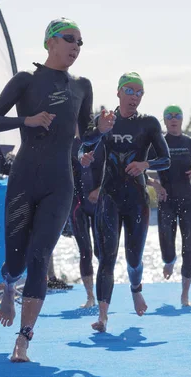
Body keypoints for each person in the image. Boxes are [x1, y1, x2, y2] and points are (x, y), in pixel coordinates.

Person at [0, 18, 113, 362]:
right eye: (70, 39)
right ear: (50, 42)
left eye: (81, 42)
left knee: (39, 256)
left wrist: (98, 130)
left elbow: (85, 137)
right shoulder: (26, 80)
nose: (76, 46)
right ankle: (9, 284)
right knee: (15, 260)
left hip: (60, 183)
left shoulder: (82, 85)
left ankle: (23, 338)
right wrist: (27, 120)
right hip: (24, 179)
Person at [80, 72, 170, 332]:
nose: (134, 97)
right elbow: (84, 143)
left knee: (133, 258)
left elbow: (165, 159)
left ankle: (136, 288)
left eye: (139, 92)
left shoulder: (149, 123)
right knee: (107, 258)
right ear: (118, 92)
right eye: (129, 91)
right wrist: (86, 154)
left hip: (136, 199)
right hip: (110, 197)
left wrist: (145, 164)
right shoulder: (106, 120)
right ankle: (103, 316)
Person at [147, 104, 191, 306]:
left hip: (188, 200)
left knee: (188, 248)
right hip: (166, 201)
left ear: (182, 119)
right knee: (167, 248)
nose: (173, 119)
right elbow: (138, 169)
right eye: (169, 116)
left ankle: (185, 296)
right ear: (164, 121)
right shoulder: (157, 144)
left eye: (177, 116)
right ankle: (169, 261)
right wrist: (155, 184)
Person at [70, 126, 104, 307]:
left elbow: (113, 168)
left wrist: (100, 189)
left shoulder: (101, 142)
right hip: (77, 205)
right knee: (85, 251)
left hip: (99, 203)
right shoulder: (68, 144)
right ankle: (90, 296)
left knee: (101, 251)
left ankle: (103, 293)